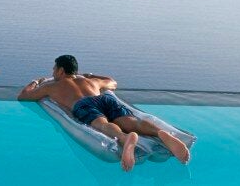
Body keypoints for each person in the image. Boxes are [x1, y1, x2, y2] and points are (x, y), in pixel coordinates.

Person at [18, 55, 190, 172]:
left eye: (54, 69)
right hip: (102, 99)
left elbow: (24, 97)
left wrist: (35, 82)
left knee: (103, 124)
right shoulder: (88, 80)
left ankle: (124, 139)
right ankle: (160, 133)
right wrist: (90, 74)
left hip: (82, 105)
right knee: (131, 121)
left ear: (61, 71)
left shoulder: (51, 86)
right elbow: (112, 82)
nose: (52, 73)